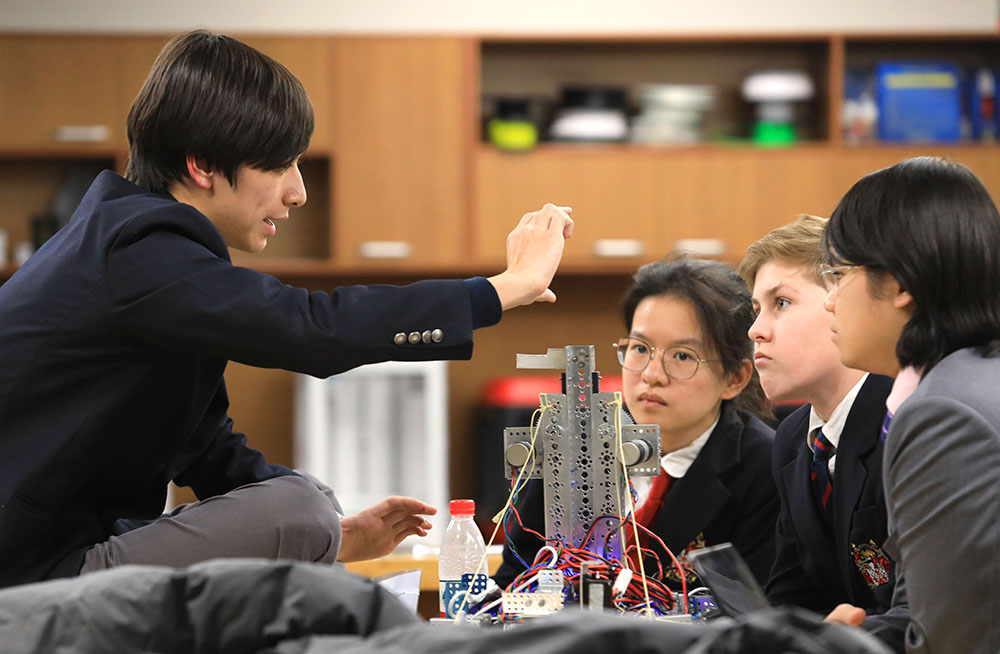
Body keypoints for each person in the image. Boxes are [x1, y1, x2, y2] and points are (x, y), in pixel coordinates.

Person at [0, 30, 574, 589]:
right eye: (279, 167)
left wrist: (331, 533)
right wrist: (502, 289)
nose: (297, 192)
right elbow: (312, 328)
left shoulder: (137, 249)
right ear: (202, 165)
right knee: (301, 507)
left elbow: (202, 446)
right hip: (28, 573)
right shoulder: (138, 250)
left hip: (49, 558)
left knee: (310, 503)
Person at [495, 256, 779, 589]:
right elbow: (513, 581)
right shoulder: (576, 446)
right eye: (640, 348)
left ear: (735, 378)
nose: (651, 375)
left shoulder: (767, 467)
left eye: (682, 356)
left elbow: (756, 611)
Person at [820, 156, 1000, 653]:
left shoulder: (945, 413)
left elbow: (953, 643)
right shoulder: (960, 383)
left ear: (900, 282)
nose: (829, 300)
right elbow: (921, 609)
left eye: (837, 274)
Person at [739, 215, 904, 651]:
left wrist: (825, 640)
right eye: (757, 309)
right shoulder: (794, 438)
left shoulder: (905, 420)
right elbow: (791, 592)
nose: (756, 329)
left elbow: (928, 609)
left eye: (782, 303)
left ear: (842, 301)